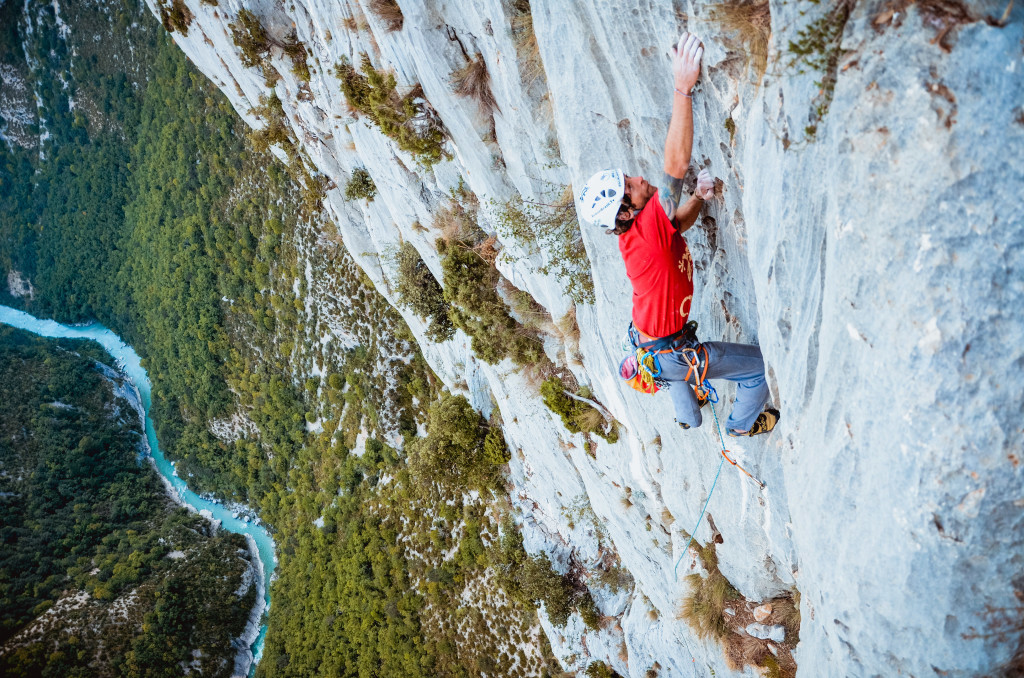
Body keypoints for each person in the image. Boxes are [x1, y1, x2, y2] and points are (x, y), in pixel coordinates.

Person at [576, 33, 779, 437]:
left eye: (626, 177)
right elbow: (676, 164)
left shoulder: (641, 232)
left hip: (652, 342)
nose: (636, 177)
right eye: (628, 186)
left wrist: (700, 199)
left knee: (676, 378)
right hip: (669, 350)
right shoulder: (646, 226)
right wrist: (682, 87)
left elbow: (676, 226)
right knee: (757, 368)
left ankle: (688, 414)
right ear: (626, 210)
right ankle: (741, 425)